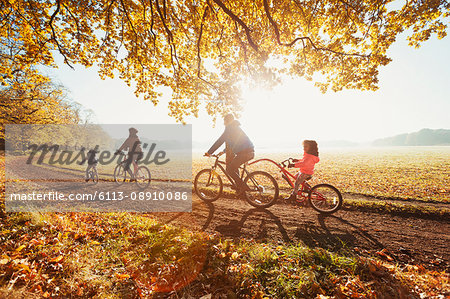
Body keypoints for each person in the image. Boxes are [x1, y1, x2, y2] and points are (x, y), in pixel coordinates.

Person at [205, 113, 255, 193]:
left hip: (244, 153)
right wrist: (223, 151)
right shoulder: (235, 127)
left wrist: (209, 152)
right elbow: (233, 143)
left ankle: (243, 187)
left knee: (229, 170)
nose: (223, 123)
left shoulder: (230, 128)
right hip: (248, 151)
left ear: (227, 121)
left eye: (224, 121)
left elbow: (220, 140)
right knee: (233, 167)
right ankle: (239, 188)